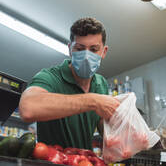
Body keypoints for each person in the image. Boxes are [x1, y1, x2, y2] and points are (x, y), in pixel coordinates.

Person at [19, 17, 120, 150]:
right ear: (70, 49)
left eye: (94, 49)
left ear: (104, 51)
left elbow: (103, 124)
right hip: (50, 164)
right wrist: (93, 100)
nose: (86, 57)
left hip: (84, 164)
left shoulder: (101, 84)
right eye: (79, 48)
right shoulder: (50, 77)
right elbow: (28, 108)